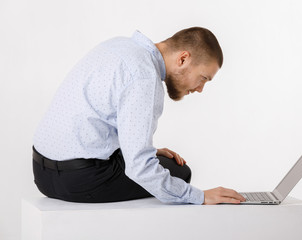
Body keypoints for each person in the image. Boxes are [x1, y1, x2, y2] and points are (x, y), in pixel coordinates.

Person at [32, 27, 245, 205]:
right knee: (179, 173)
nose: (200, 89)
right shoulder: (144, 77)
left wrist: (138, 147)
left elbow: (99, 114)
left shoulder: (120, 45)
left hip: (41, 171)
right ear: (183, 59)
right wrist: (200, 196)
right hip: (77, 180)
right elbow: (139, 169)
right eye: (203, 78)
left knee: (155, 160)